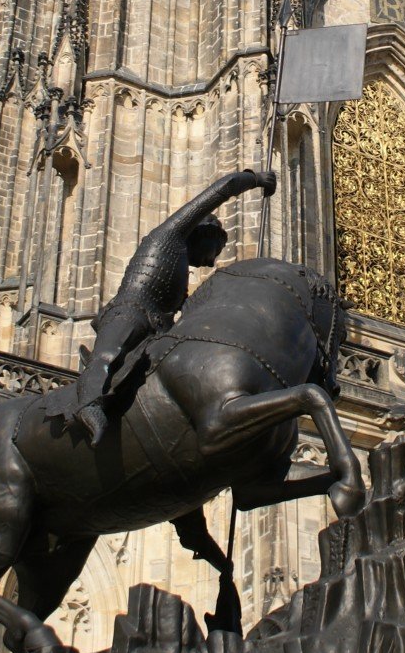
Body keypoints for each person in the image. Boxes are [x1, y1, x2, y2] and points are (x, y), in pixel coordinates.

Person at [43, 168, 276, 445]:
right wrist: (256, 179)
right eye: (216, 250)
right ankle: (89, 404)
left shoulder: (181, 274)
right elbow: (220, 190)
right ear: (205, 233)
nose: (213, 262)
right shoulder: (168, 238)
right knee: (109, 355)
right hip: (131, 312)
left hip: (155, 331)